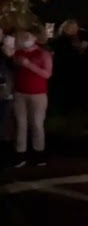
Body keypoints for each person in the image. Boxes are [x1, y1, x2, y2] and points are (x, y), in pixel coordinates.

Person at [10, 28, 53, 169]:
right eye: (23, 37)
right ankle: (20, 154)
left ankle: (39, 152)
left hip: (38, 94)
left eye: (28, 36)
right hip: (20, 93)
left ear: (35, 38)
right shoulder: (18, 53)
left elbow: (47, 74)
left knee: (36, 123)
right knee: (21, 124)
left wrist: (29, 65)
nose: (25, 39)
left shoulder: (43, 54)